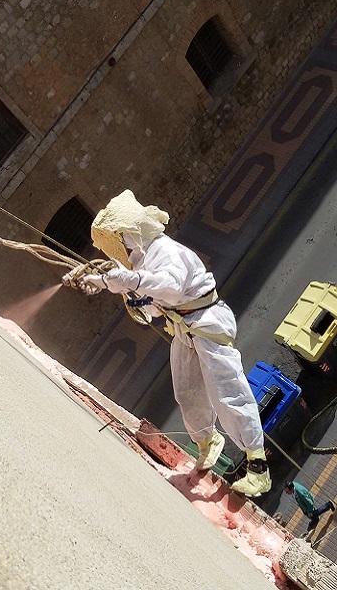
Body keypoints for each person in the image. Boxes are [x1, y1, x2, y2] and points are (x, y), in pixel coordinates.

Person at [73, 189, 272, 497]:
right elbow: (150, 305)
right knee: (187, 390)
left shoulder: (165, 251)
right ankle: (208, 440)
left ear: (131, 229)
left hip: (207, 321)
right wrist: (98, 281)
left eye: (121, 235)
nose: (121, 243)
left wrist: (130, 281)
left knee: (227, 390)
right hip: (184, 328)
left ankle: (258, 466)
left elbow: (169, 285)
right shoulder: (139, 260)